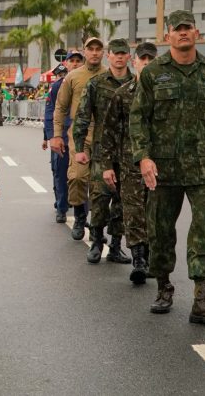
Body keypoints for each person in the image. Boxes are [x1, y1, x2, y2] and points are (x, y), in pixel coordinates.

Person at [130, 10, 205, 324]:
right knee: (161, 230)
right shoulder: (152, 74)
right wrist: (144, 157)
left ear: (197, 33)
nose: (182, 34)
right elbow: (139, 119)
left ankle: (202, 300)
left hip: (203, 166)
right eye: (176, 30)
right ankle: (164, 287)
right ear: (168, 36)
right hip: (163, 168)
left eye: (187, 29)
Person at [100, 42, 158, 284]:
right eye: (142, 60)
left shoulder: (165, 94)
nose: (146, 64)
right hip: (129, 163)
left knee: (155, 212)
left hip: (160, 163)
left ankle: (155, 256)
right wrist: (106, 165)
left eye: (150, 60)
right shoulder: (123, 94)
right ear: (135, 62)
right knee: (133, 212)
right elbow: (109, 132)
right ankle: (139, 259)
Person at [72, 39, 133, 265]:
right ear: (109, 56)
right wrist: (79, 148)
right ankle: (97, 241)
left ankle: (116, 245)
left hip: (128, 151)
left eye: (123, 53)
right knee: (99, 197)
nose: (119, 57)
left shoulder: (136, 83)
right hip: (101, 150)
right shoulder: (96, 84)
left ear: (129, 56)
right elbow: (82, 116)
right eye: (115, 53)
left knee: (122, 201)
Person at [50, 37, 106, 241]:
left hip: (104, 133)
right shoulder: (72, 77)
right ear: (85, 51)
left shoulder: (109, 75)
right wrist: (56, 135)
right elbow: (60, 107)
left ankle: (97, 225)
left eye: (98, 49)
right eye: (90, 49)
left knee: (100, 183)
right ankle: (80, 216)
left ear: (103, 52)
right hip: (79, 132)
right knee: (77, 176)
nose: (94, 52)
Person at [42, 50, 84, 223]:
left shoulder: (88, 83)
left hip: (82, 136)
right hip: (62, 137)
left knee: (82, 175)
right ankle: (61, 207)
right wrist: (50, 136)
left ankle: (82, 212)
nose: (75, 63)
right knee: (60, 172)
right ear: (66, 64)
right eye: (71, 61)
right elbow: (50, 112)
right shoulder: (58, 86)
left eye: (78, 61)